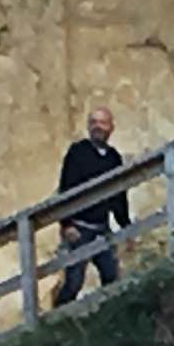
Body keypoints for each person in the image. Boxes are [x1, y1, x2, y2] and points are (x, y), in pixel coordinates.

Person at [52, 104, 131, 304]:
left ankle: (108, 319)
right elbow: (66, 187)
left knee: (111, 275)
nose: (98, 127)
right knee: (74, 281)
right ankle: (58, 321)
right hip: (79, 227)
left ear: (111, 128)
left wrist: (126, 226)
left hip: (101, 228)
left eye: (102, 123)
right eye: (93, 122)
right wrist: (66, 224)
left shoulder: (114, 158)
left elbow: (118, 196)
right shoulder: (78, 152)